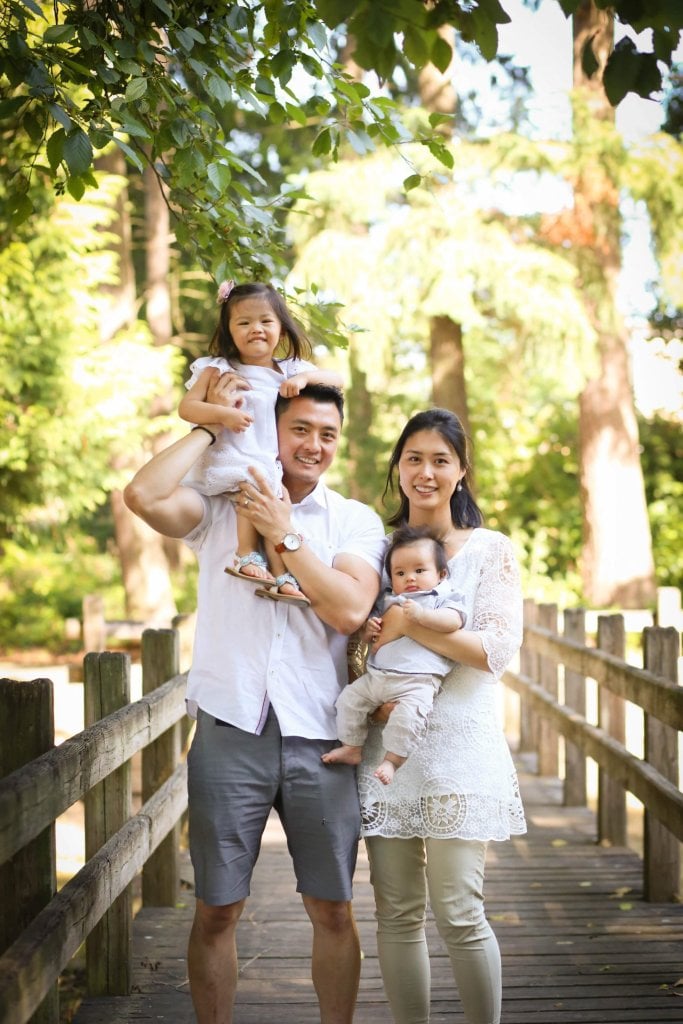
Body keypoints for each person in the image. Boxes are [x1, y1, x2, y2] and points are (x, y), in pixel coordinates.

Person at [123, 376, 386, 1024]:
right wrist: (213, 426)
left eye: (327, 433)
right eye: (299, 428)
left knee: (331, 907)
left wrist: (284, 533)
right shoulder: (218, 508)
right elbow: (143, 494)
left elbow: (352, 608)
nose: (313, 445)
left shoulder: (352, 520)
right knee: (216, 908)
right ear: (273, 429)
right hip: (229, 722)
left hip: (320, 735)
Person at [357, 408, 526, 1024]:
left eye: (439, 460)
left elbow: (492, 652)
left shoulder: (490, 550)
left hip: (460, 747)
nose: (425, 472)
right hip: (387, 750)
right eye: (413, 459)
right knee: (396, 911)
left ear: (461, 472)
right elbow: (356, 647)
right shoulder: (376, 549)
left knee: (459, 908)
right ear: (398, 467)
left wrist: (412, 624)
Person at [178, 280, 344, 605]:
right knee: (251, 487)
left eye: (265, 321)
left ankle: (281, 575)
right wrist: (221, 415)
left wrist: (304, 380)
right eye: (244, 322)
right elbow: (187, 408)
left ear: (281, 330)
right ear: (229, 332)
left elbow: (337, 380)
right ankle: (245, 554)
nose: (256, 329)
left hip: (270, 458)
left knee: (276, 506)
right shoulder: (218, 370)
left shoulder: (288, 371)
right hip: (233, 452)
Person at [322, 525, 466, 785]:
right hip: (378, 677)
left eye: (420, 570)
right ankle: (352, 746)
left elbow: (453, 622)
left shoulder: (443, 597)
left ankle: (392, 760)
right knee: (348, 700)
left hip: (416, 682)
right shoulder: (389, 600)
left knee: (408, 719)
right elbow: (370, 639)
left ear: (441, 574)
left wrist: (423, 617)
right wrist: (370, 630)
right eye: (400, 573)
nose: (410, 578)